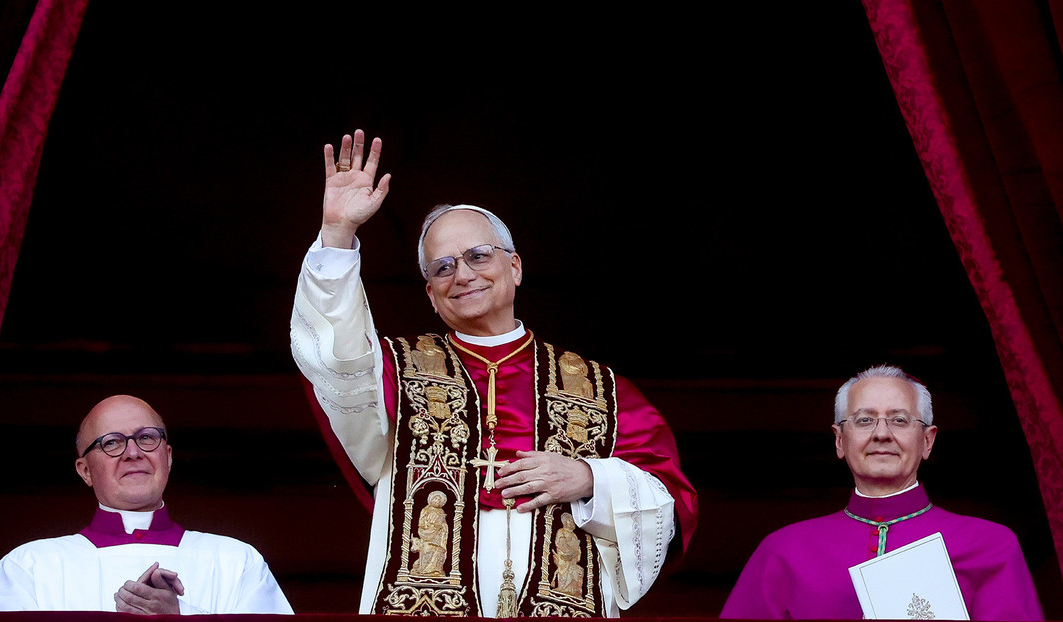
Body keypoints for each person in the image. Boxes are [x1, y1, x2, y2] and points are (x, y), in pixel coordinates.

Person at [289, 129, 698, 617]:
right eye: (442, 268)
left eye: (478, 256)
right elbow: (332, 359)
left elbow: (670, 503)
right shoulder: (393, 371)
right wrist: (338, 235)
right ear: (431, 297)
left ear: (516, 267)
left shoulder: (599, 388)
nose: (462, 274)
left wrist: (590, 477)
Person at [720, 364, 1044, 620]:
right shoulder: (783, 551)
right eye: (864, 420)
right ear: (839, 440)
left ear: (928, 440)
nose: (882, 434)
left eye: (899, 420)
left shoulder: (990, 546)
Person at [0, 395, 294, 615]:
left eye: (146, 437)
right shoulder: (29, 566)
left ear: (167, 457)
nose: (133, 453)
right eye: (111, 442)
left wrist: (181, 616)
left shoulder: (237, 561)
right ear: (85, 470)